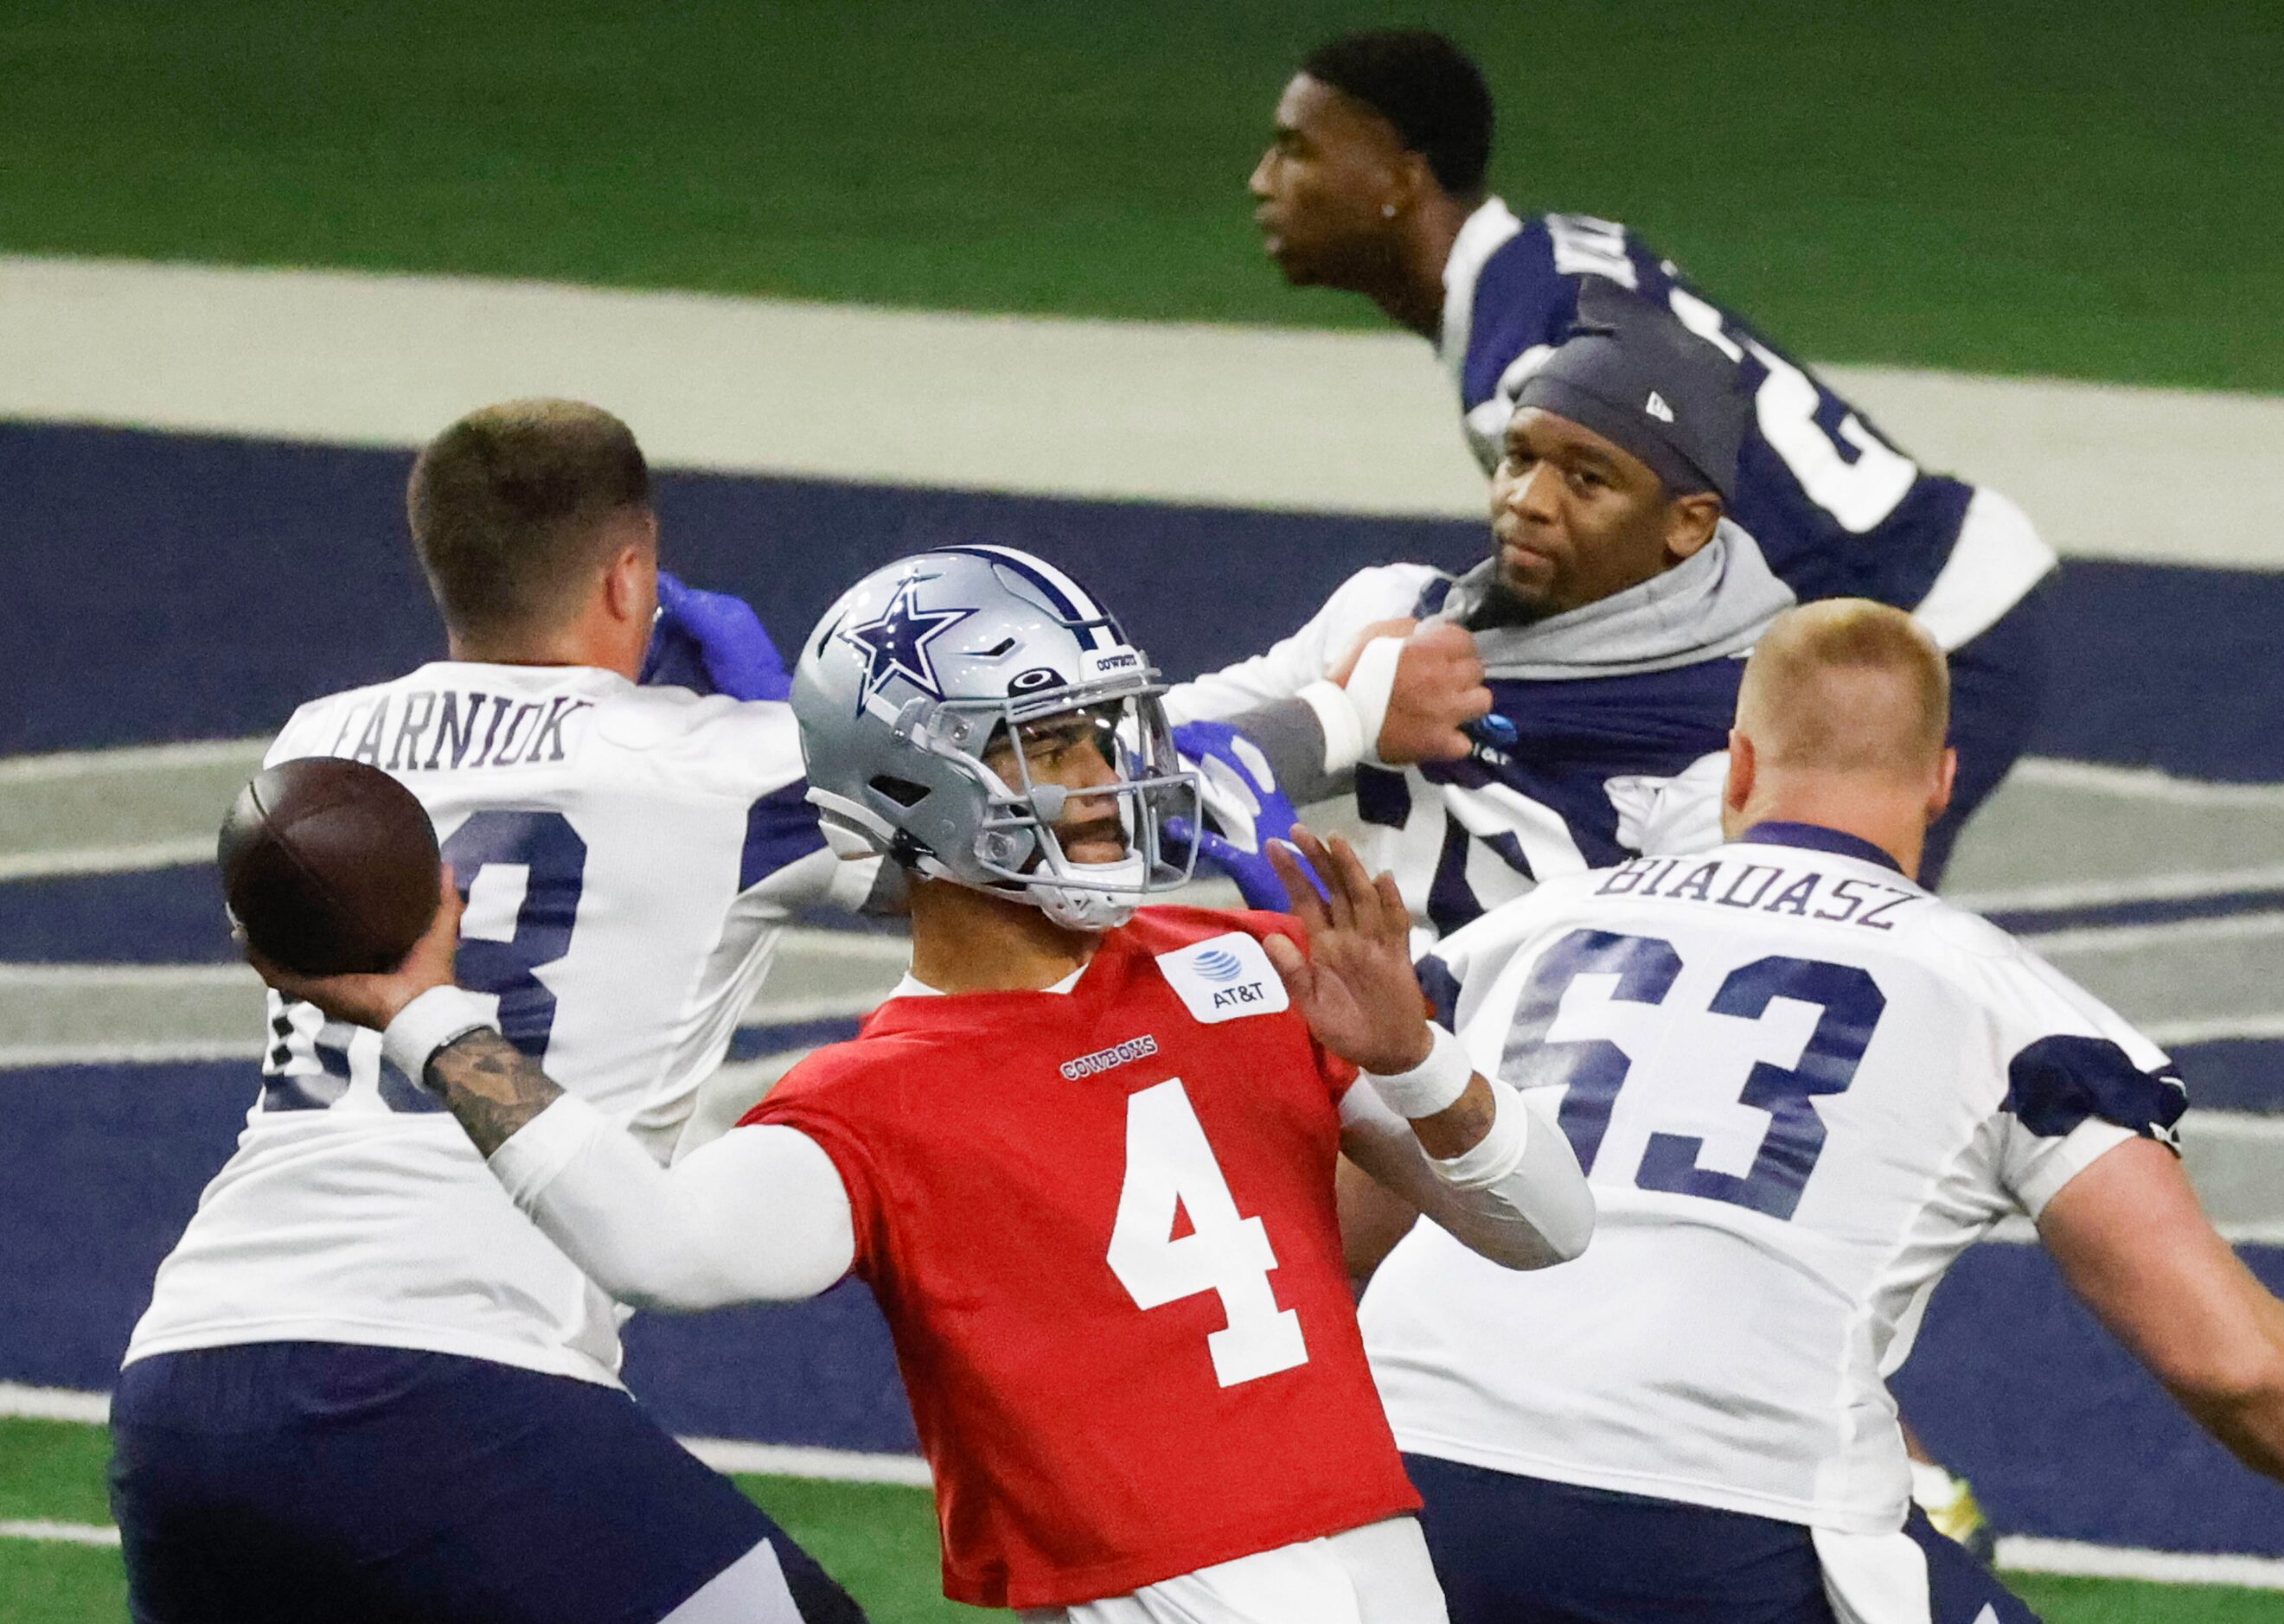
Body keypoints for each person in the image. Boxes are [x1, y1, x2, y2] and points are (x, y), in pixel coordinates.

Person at [253, 546, 1600, 1621]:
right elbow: (658, 1246)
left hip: (1382, 1566)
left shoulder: (1251, 964)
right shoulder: (878, 1101)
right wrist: (427, 1013)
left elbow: (1548, 1226)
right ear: (910, 784)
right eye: (1049, 745)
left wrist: (1414, 1057)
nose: (1106, 781)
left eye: (1106, 734)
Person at [1347, 600, 2284, 1623]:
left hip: (1393, 1488)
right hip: (1724, 1520)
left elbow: (1334, 1233)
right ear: (1939, 782)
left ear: (1733, 764)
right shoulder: (2006, 1006)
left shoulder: (1510, 941)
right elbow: (2225, 1358)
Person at [109, 400, 869, 1624]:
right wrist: (793, 719)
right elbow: (1025, 843)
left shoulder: (319, 745)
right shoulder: (733, 768)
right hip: (449, 1375)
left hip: (190, 1379)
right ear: (633, 574)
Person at [1236, 28, 2057, 890]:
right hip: (1936, 576)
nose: (1265, 181)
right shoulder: (1550, 260)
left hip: (1930, 621)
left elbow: (1667, 571)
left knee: (1831, 924)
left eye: (1297, 151)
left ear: (1400, 180)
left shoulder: (1526, 361)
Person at [1169, 280, 1791, 950]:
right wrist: (1336, 720)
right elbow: (1101, 775)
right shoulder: (1393, 615)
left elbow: (1668, 994)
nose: (1527, 499)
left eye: (1587, 479)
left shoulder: (1736, 733)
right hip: (1311, 1032)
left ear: (1688, 525)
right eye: (1520, 457)